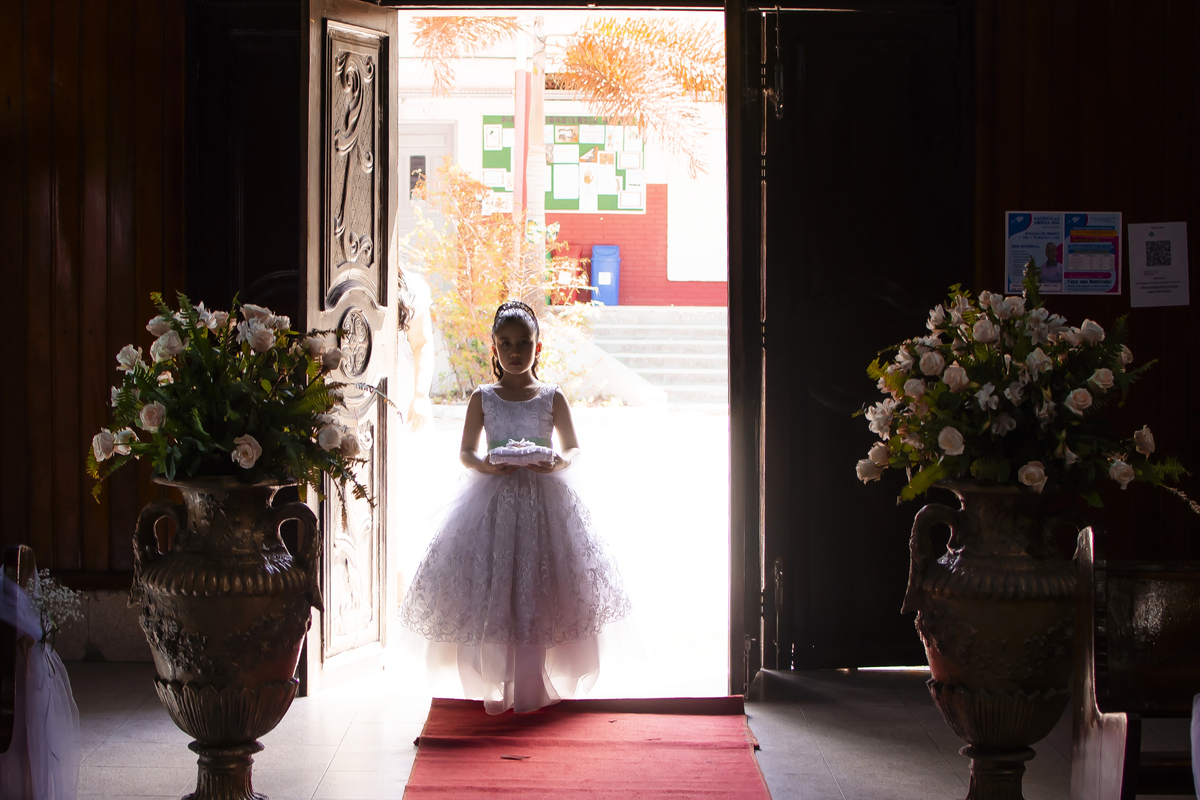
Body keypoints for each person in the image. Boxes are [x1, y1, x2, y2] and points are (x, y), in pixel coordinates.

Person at [397, 300, 630, 714]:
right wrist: (485, 466)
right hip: (493, 505)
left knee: (537, 592)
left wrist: (560, 461)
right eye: (506, 343)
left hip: (545, 506)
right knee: (498, 590)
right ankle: (502, 683)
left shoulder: (551, 397)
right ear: (494, 347)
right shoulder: (482, 397)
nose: (515, 351)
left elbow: (573, 447)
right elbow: (466, 452)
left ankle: (531, 686)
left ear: (538, 346)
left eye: (524, 342)